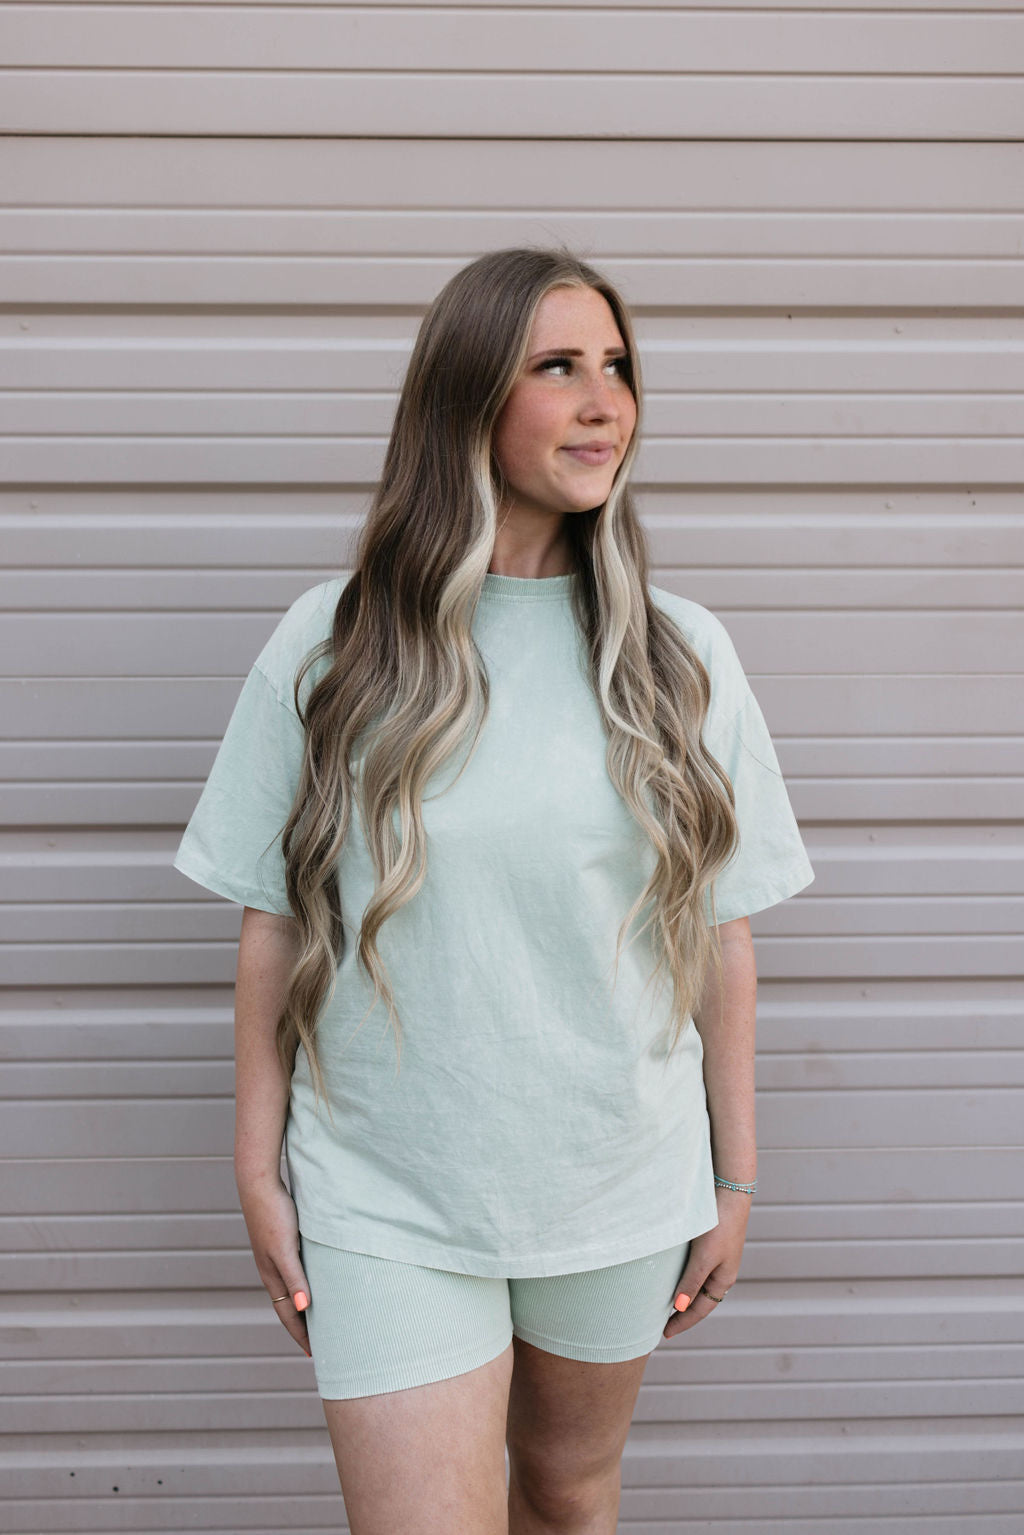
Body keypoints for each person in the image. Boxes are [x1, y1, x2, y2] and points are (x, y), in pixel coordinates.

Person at [173, 245, 815, 1534]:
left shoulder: (684, 658)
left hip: (613, 1178)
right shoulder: (334, 644)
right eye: (560, 367)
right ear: (470, 397)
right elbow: (273, 923)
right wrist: (258, 1170)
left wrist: (734, 1179)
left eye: (619, 368)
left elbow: (719, 934)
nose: (605, 403)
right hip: (385, 1191)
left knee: (570, 1499)